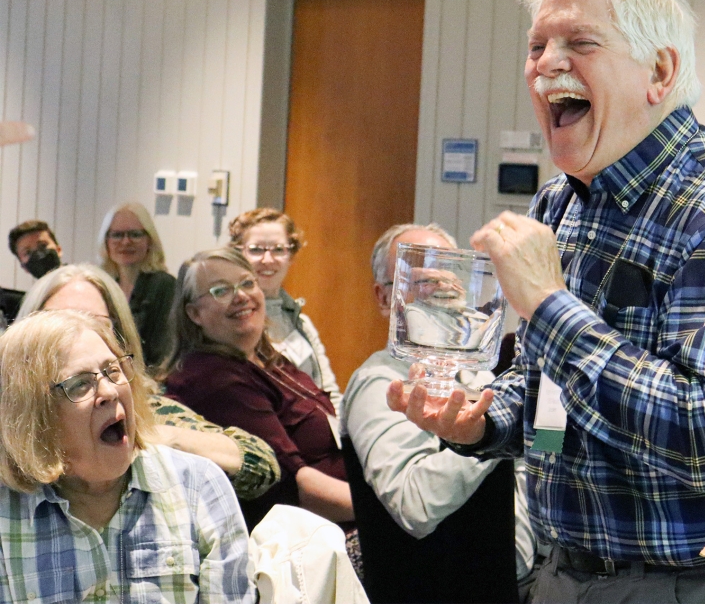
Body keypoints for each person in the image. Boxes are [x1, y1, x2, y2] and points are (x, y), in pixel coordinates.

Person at [388, 0, 705, 603]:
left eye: (579, 42)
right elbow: (554, 409)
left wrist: (550, 304)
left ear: (660, 71)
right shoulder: (559, 205)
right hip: (571, 571)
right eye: (537, 44)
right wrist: (483, 424)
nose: (546, 63)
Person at [0, 310, 253, 602]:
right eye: (80, 384)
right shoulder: (8, 507)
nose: (109, 391)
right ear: (32, 415)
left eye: (113, 370)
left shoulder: (199, 487)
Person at [341, 223, 536, 595]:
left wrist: (547, 426)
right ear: (385, 298)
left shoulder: (481, 375)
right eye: (427, 278)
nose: (446, 286)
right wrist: (489, 435)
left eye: (453, 276)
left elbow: (541, 456)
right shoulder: (381, 382)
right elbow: (415, 505)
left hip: (522, 583)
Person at [17, 263, 281, 501]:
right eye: (59, 323)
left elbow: (261, 465)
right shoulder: (12, 421)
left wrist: (163, 437)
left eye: (95, 324)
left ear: (120, 337)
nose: (78, 337)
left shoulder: (151, 409)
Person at [162, 247, 354, 533]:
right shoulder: (214, 378)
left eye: (247, 283)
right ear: (194, 313)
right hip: (311, 534)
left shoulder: (268, 358)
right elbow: (293, 488)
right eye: (220, 291)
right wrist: (384, 510)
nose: (241, 296)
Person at [229, 208, 342, 412]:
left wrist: (339, 436)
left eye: (278, 250)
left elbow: (329, 391)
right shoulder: (231, 320)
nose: (268, 259)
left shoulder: (302, 323)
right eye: (256, 249)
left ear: (291, 255)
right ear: (239, 254)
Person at [98, 202, 176, 368]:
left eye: (135, 234)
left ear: (150, 240)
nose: (126, 242)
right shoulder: (101, 287)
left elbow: (163, 352)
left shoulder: (164, 286)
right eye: (117, 235)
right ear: (106, 241)